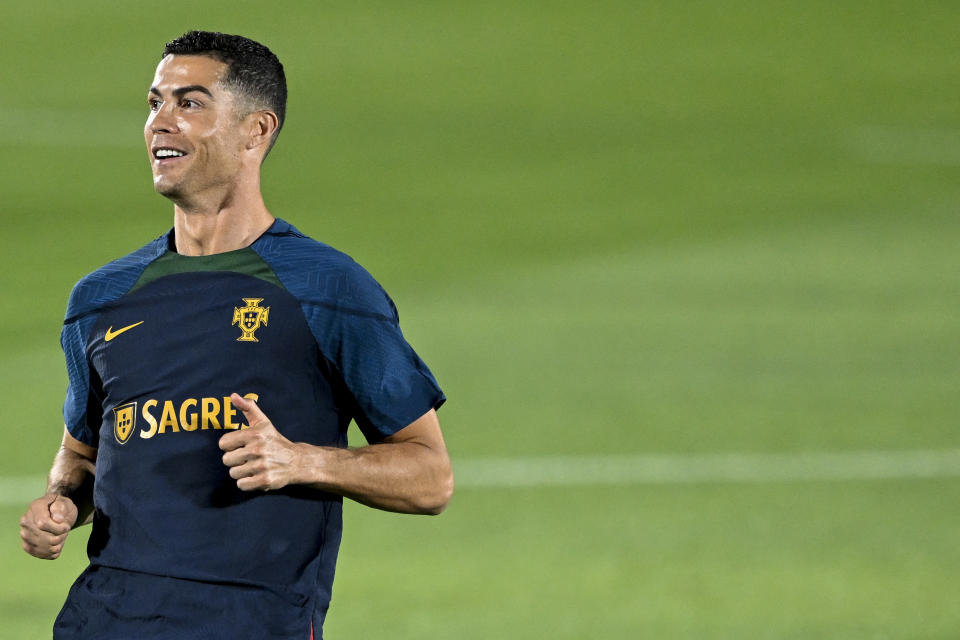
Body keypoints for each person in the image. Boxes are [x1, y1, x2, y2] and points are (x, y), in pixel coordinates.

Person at [18, 30, 453, 639]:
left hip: (251, 622)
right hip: (104, 617)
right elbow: (83, 451)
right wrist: (62, 503)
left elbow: (430, 477)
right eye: (154, 103)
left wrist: (302, 461)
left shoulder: (326, 287)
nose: (160, 123)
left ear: (257, 130)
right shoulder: (99, 298)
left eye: (189, 103)